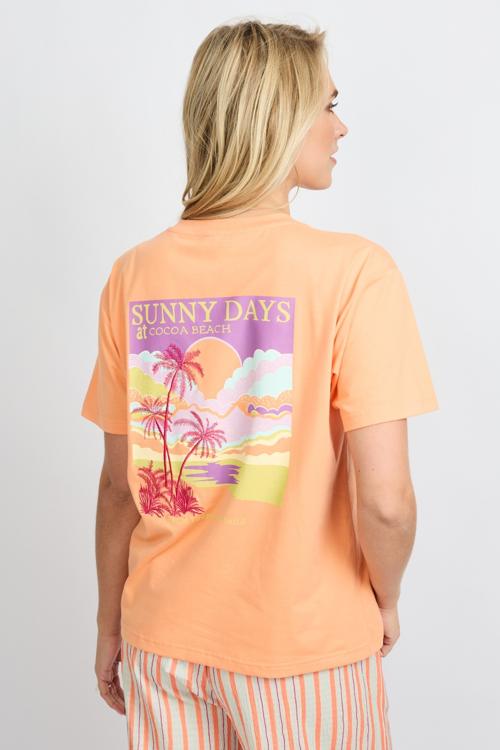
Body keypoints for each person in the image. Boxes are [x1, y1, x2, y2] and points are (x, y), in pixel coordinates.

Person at [81, 19, 439, 749]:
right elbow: (386, 501)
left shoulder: (132, 275)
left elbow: (121, 487)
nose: (341, 127)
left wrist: (108, 622)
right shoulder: (355, 273)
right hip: (305, 650)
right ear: (280, 118)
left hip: (164, 647)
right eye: (328, 105)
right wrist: (386, 596)